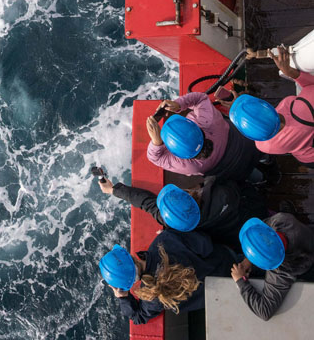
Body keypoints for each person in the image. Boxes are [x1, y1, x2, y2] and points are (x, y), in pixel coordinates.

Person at [99, 229, 234, 325]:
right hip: (229, 263)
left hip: (224, 293)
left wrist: (123, 297)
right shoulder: (164, 241)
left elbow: (138, 317)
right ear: (130, 256)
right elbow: (206, 244)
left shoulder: (151, 295)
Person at [97, 175, 267, 250]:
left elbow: (146, 203)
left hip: (245, 233)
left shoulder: (192, 225)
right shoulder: (216, 186)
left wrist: (113, 190)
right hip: (255, 205)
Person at [229, 47, 314, 167]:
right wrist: (290, 72)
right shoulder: (304, 107)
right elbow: (311, 86)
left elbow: (257, 127)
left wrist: (240, 112)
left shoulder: (264, 146)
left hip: (308, 158)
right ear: (265, 106)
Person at [146, 94, 261, 181]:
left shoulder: (190, 165)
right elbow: (201, 98)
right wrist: (179, 104)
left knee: (252, 175)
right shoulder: (208, 120)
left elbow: (156, 158)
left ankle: (261, 179)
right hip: (248, 144)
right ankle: (266, 159)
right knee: (261, 152)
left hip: (234, 171)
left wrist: (157, 142)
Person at [231, 214, 314, 320]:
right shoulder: (281, 220)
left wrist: (241, 281)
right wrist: (249, 259)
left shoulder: (284, 270)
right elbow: (263, 234)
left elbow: (264, 311)